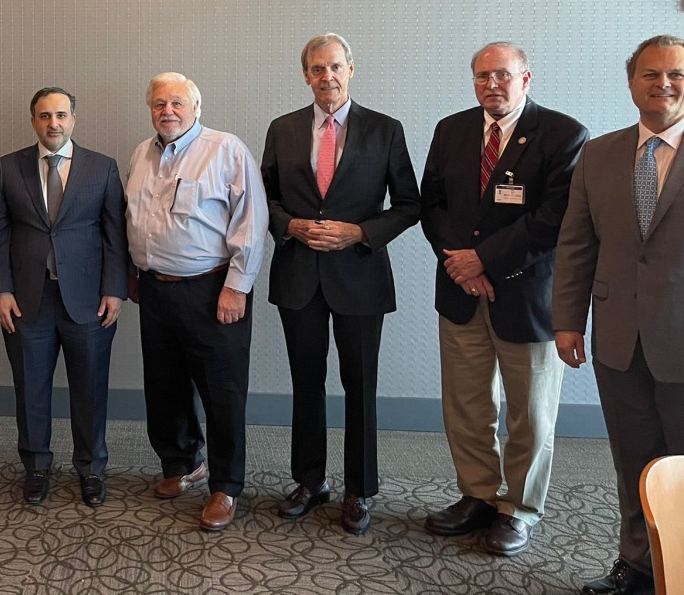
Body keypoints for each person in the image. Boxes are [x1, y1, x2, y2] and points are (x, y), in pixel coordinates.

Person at [420, 42, 587, 557]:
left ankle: (519, 509)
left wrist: (484, 261)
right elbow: (433, 204)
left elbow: (553, 219)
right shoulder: (451, 129)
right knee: (467, 406)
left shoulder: (564, 134)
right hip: (462, 291)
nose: (491, 84)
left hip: (528, 296)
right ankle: (479, 495)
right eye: (481, 76)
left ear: (526, 78)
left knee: (530, 414)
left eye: (502, 75)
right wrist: (461, 264)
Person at [261, 33, 420, 536]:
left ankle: (359, 489)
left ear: (352, 69)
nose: (326, 77)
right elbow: (263, 200)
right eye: (315, 69)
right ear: (305, 75)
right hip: (299, 277)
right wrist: (291, 225)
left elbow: (410, 205)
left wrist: (359, 232)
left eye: (335, 67)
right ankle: (309, 481)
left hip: (359, 276)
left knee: (360, 385)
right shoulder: (282, 129)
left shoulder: (385, 130)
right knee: (306, 382)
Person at [554, 34, 684, 595]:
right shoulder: (600, 154)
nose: (663, 83)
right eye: (650, 74)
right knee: (633, 458)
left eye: (676, 73)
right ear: (631, 84)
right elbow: (577, 244)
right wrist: (566, 320)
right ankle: (638, 565)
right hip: (617, 338)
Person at [126, 72, 268, 532]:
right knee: (164, 385)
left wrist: (237, 286)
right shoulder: (141, 154)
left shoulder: (226, 149)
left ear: (196, 106)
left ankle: (226, 485)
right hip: (155, 288)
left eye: (177, 103)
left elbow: (252, 220)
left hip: (211, 289)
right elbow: (134, 220)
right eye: (159, 103)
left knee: (222, 392)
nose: (167, 111)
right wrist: (134, 273)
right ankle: (183, 462)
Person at [0, 87, 127, 507]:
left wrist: (114, 290)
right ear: (33, 121)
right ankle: (36, 467)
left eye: (61, 115)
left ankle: (91, 468)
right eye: (45, 116)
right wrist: (1, 290)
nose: (54, 123)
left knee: (90, 389)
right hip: (28, 300)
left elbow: (115, 234)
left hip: (89, 300)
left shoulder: (102, 168)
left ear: (74, 119)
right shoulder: (8, 168)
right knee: (30, 389)